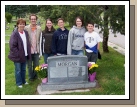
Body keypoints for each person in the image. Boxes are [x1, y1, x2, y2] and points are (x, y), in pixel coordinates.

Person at [8, 18, 31, 88]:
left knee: (23, 69)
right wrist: (18, 54)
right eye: (20, 24)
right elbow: (12, 46)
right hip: (17, 56)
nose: (22, 25)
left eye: (23, 24)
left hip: (25, 55)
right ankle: (19, 83)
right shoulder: (15, 34)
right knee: (18, 70)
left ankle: (23, 81)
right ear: (17, 25)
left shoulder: (25, 33)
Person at [24, 14, 42, 81]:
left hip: (36, 49)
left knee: (36, 64)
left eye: (34, 19)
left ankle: (35, 76)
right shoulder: (26, 28)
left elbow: (40, 39)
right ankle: (31, 77)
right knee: (29, 65)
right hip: (29, 50)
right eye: (32, 19)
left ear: (36, 20)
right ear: (30, 20)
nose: (33, 20)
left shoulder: (39, 28)